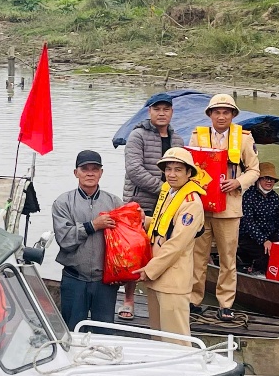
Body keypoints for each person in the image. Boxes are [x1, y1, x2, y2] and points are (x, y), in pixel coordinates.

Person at [189, 93, 260, 321]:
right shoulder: (196, 137)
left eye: (226, 112)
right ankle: (193, 300)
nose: (221, 116)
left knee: (228, 259)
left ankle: (225, 304)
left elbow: (254, 170)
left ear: (233, 115)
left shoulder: (245, 139)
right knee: (197, 257)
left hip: (229, 209)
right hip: (201, 208)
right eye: (217, 112)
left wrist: (238, 182)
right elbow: (188, 168)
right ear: (210, 115)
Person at [119, 92, 184, 321]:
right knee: (134, 252)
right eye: (157, 109)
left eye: (166, 109)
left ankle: (157, 297)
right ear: (149, 111)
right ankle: (128, 299)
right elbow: (134, 170)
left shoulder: (178, 140)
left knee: (162, 251)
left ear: (172, 112)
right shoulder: (137, 135)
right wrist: (165, 189)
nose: (162, 113)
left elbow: (184, 172)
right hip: (140, 203)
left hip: (170, 205)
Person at [134, 147, 206, 346]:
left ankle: (186, 373)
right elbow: (163, 225)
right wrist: (145, 220)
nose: (172, 174)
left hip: (172, 279)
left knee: (177, 341)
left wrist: (150, 270)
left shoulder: (191, 203)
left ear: (189, 173)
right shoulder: (170, 193)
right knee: (158, 339)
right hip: (156, 277)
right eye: (168, 169)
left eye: (178, 170)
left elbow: (177, 244)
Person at [52, 149, 124, 330]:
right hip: (74, 278)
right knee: (72, 331)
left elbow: (125, 243)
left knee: (105, 334)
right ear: (76, 173)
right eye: (85, 169)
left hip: (105, 282)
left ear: (101, 173)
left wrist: (120, 273)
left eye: (95, 169)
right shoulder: (63, 203)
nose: (90, 173)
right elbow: (65, 240)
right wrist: (93, 225)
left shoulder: (115, 203)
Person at [237, 162, 279, 274]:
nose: (269, 181)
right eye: (266, 178)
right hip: (249, 237)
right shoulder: (249, 196)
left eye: (272, 179)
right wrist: (264, 240)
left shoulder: (275, 197)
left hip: (269, 235)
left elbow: (278, 221)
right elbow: (248, 222)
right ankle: (255, 271)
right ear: (258, 179)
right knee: (265, 255)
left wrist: (278, 240)